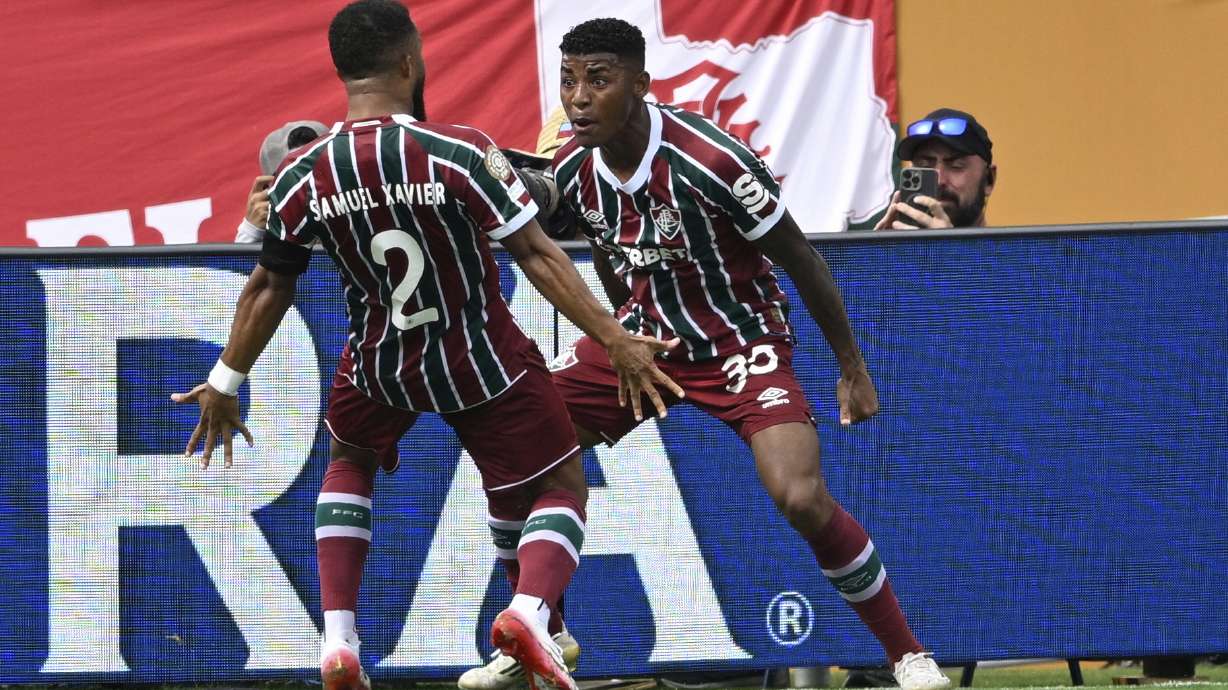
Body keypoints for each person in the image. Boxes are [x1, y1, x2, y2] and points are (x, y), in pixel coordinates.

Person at [170, 3, 682, 690]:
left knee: (349, 460)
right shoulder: (460, 151)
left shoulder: (301, 174)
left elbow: (269, 287)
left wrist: (226, 382)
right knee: (558, 483)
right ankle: (533, 613)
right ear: (411, 63)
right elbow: (538, 254)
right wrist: (615, 339)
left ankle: (339, 639)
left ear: (342, 71)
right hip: (479, 360)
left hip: (380, 362)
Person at [461, 18, 951, 690]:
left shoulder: (712, 160)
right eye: (569, 79)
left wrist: (851, 367)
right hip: (649, 344)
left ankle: (907, 655)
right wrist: (622, 331)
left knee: (800, 496)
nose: (578, 97)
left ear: (640, 84)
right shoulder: (574, 167)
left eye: (598, 79)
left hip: (738, 344)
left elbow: (801, 259)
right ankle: (543, 631)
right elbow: (606, 253)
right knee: (520, 451)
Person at [874, 108, 996, 230]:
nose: (939, 181)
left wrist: (942, 247)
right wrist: (883, 246)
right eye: (924, 166)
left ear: (989, 180)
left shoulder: (1011, 248)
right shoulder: (891, 247)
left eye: (956, 166)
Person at [235, 121, 329, 243]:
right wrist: (251, 232)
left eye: (314, 175)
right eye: (290, 179)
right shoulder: (271, 237)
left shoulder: (355, 218)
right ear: (268, 192)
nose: (302, 189)